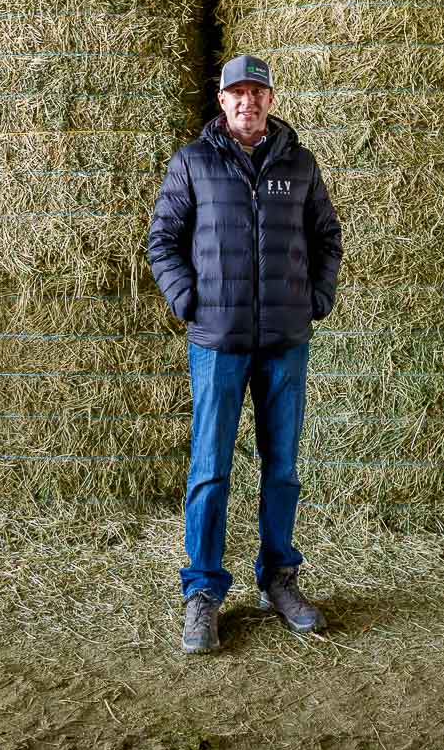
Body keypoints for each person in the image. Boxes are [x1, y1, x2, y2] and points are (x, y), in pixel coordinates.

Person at [146, 53, 343, 655]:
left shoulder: (300, 165)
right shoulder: (194, 163)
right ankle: (203, 592)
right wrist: (187, 299)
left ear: (271, 101)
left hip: (285, 342)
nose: (247, 103)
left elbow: (327, 236)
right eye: (237, 93)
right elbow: (162, 240)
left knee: (281, 467)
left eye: (257, 93)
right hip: (218, 342)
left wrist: (316, 297)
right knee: (210, 468)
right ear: (221, 100)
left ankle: (279, 580)